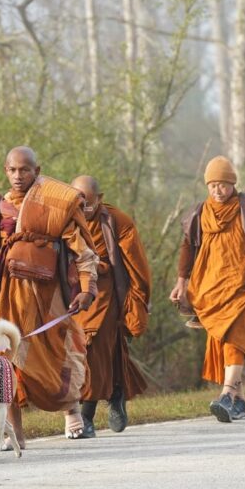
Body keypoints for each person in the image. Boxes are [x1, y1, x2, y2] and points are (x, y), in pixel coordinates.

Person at [0, 147, 99, 443]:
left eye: (25, 170)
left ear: (37, 169)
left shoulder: (57, 203)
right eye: (12, 170)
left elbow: (82, 251)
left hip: (48, 294)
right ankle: (13, 432)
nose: (18, 176)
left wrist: (87, 288)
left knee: (58, 350)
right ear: (5, 171)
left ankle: (71, 410)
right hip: (6, 296)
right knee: (6, 359)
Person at [170, 156, 245, 423]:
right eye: (212, 185)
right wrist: (181, 281)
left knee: (234, 337)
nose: (217, 190)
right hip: (208, 287)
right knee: (222, 341)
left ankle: (225, 395)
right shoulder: (199, 213)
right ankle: (240, 400)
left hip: (242, 285)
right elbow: (187, 247)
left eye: (222, 184)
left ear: (233, 183)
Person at [69, 175, 151, 437]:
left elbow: (138, 268)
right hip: (74, 296)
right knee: (98, 353)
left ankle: (87, 417)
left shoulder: (118, 222)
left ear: (100, 199)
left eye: (88, 204)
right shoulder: (64, 221)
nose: (82, 209)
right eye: (77, 203)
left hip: (105, 297)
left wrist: (137, 301)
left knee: (92, 351)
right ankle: (117, 392)